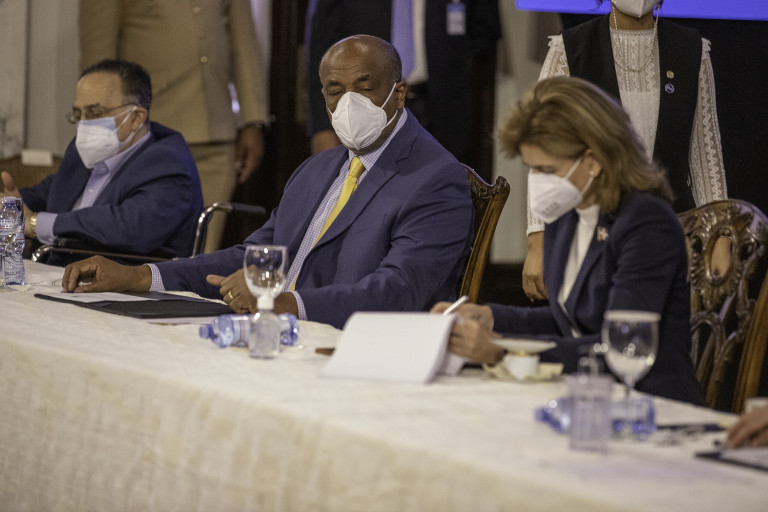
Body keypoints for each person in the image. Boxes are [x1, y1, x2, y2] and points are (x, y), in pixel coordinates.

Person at [62, 35, 473, 329]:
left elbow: (398, 292)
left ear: (398, 94)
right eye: (335, 91)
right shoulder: (318, 168)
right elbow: (255, 257)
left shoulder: (436, 178)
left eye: (364, 88)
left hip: (351, 351)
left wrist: (283, 302)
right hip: (272, 334)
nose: (349, 102)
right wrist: (138, 276)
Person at [433, 76, 703, 405]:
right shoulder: (565, 212)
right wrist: (489, 317)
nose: (538, 182)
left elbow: (624, 346)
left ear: (593, 160)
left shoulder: (646, 222)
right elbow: (569, 322)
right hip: (580, 393)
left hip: (650, 405)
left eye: (548, 170)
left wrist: (502, 351)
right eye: (532, 169)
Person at [522, 0, 729, 301]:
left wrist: (721, 238)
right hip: (592, 245)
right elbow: (542, 152)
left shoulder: (692, 50)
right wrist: (537, 242)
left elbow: (706, 160)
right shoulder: (570, 50)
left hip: (672, 244)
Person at [79, 0, 269, 252]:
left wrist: (253, 121)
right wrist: (102, 130)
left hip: (216, 131)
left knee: (203, 252)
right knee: (144, 251)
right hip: (148, 134)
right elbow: (98, 55)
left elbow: (244, 42)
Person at [0, 59, 203, 266]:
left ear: (135, 118)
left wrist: (36, 223)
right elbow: (52, 190)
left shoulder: (169, 163)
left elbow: (127, 227)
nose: (84, 125)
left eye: (95, 113)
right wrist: (11, 205)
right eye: (78, 115)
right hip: (56, 272)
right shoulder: (83, 149)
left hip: (121, 279)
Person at [304, 0, 500, 163]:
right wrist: (322, 126)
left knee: (440, 189)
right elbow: (321, 46)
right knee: (371, 190)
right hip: (366, 105)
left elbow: (485, 30)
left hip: (442, 108)